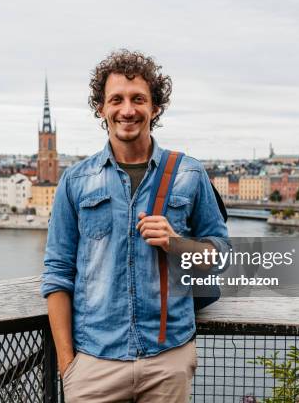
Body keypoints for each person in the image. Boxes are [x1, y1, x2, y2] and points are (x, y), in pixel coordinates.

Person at [40, 49, 229, 402]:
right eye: (117, 100)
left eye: (138, 99)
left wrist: (176, 243)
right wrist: (69, 367)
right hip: (94, 362)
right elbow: (57, 273)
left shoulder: (189, 173)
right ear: (102, 108)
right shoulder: (76, 180)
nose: (127, 110)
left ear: (155, 107)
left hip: (167, 359)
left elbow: (220, 256)